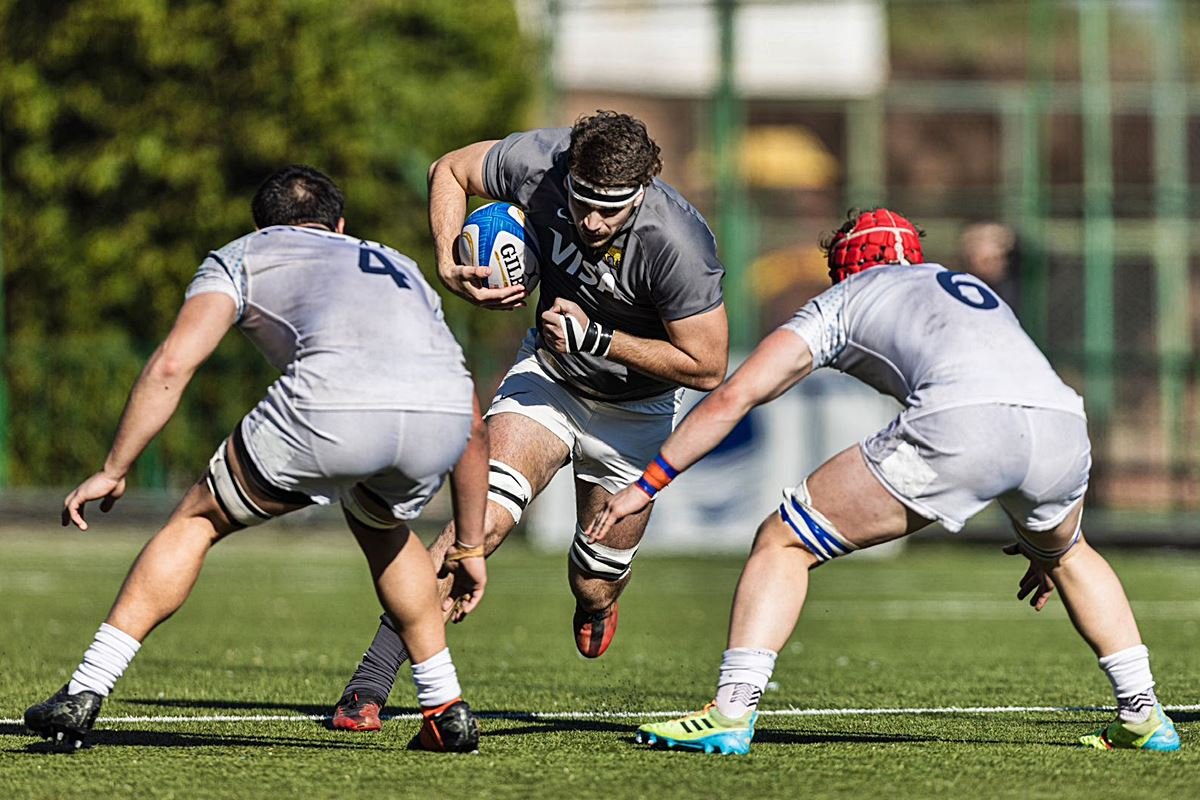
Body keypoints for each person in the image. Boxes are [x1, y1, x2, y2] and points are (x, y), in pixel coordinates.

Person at [587, 208, 1181, 755]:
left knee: (783, 540)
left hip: (961, 426)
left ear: (844, 267)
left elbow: (735, 396)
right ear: (913, 255)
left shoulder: (841, 301)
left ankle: (731, 711)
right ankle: (1143, 712)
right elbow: (1008, 395)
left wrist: (646, 485)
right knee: (1072, 555)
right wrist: (1041, 538)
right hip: (1062, 427)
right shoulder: (965, 287)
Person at [24, 165, 489, 753]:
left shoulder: (242, 255)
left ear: (264, 225)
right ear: (339, 226)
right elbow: (473, 424)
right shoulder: (398, 265)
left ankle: (83, 693)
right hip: (439, 417)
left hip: (333, 406)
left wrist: (115, 468)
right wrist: (469, 543)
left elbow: (173, 363)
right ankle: (445, 707)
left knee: (196, 520)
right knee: (384, 528)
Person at [330, 111, 729, 731]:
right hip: (548, 378)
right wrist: (447, 258)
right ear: (567, 174)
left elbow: (707, 366)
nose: (593, 223)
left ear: (642, 193)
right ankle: (372, 682)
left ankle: (595, 603)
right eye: (583, 204)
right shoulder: (540, 162)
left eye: (612, 211)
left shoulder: (678, 243)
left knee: (593, 580)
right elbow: (450, 170)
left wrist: (599, 337)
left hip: (638, 408)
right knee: (477, 523)